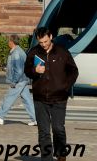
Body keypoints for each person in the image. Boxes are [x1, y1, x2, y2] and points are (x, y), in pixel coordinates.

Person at [25, 26, 79, 161]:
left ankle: (61, 154)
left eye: (45, 41)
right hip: (40, 98)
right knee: (43, 132)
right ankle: (47, 158)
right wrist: (34, 71)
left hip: (59, 98)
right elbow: (26, 70)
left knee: (58, 128)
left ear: (50, 37)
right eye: (40, 42)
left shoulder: (62, 52)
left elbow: (74, 71)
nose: (43, 45)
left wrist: (65, 87)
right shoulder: (33, 52)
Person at [0, 35, 37, 126]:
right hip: (23, 79)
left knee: (9, 98)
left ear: (12, 42)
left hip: (19, 81)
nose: (8, 42)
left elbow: (18, 70)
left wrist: (14, 82)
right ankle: (36, 119)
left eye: (8, 41)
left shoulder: (16, 53)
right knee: (27, 100)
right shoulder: (18, 51)